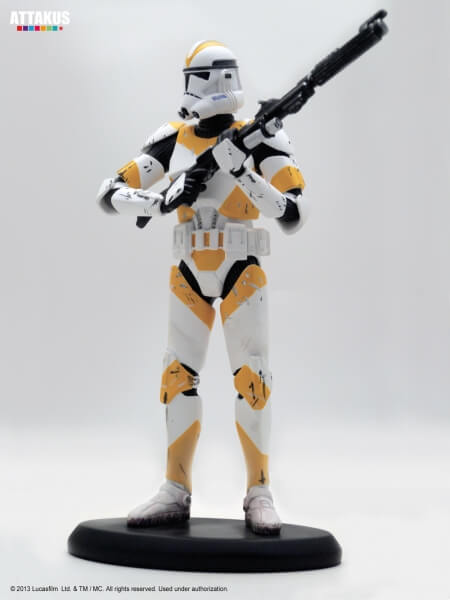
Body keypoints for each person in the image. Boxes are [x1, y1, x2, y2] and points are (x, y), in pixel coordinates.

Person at [97, 40, 308, 535]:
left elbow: (292, 212)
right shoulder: (173, 139)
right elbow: (109, 193)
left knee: (252, 378)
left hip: (241, 267)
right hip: (189, 268)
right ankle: (175, 487)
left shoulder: (260, 137)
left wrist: (242, 173)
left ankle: (259, 490)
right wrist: (163, 200)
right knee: (176, 377)